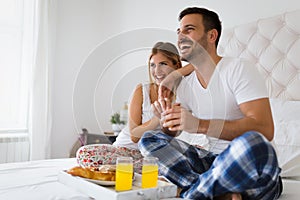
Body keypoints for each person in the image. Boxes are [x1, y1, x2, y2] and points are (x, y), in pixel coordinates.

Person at [138, 7, 282, 199]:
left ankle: (194, 193)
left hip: (250, 167)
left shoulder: (238, 69)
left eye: (189, 29)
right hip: (212, 163)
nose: (180, 37)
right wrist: (167, 124)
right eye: (179, 31)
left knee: (254, 143)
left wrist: (199, 125)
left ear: (212, 35)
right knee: (149, 139)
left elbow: (264, 129)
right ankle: (215, 191)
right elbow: (174, 133)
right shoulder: (186, 85)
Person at [76, 42, 182, 172]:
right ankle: (132, 168)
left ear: (176, 65)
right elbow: (135, 136)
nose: (157, 71)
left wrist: (177, 75)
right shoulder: (142, 90)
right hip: (125, 150)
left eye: (163, 64)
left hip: (153, 154)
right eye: (153, 65)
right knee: (84, 154)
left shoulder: (182, 94)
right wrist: (158, 118)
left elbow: (195, 67)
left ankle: (121, 169)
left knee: (172, 160)